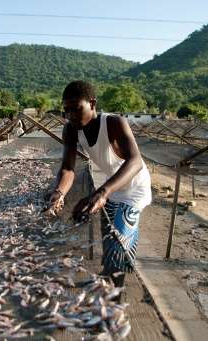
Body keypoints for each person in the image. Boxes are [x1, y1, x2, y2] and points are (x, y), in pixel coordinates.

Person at [46, 80, 151, 288]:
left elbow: (136, 161)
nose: (71, 116)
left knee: (118, 242)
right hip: (112, 188)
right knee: (109, 239)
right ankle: (109, 279)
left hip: (133, 188)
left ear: (92, 103)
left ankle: (115, 298)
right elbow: (68, 169)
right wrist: (59, 193)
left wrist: (102, 193)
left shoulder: (113, 123)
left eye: (76, 109)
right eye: (66, 111)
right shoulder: (71, 130)